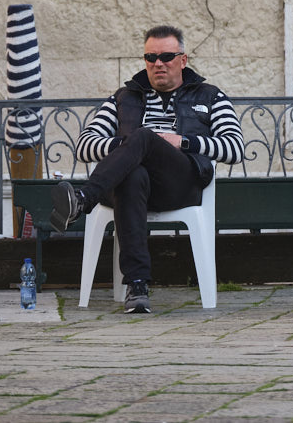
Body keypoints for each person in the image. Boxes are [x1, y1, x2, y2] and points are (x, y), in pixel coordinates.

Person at [49, 25, 244, 313]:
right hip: (130, 188)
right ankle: (137, 285)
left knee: (143, 136)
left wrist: (184, 141)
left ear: (183, 59)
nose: (158, 64)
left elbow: (235, 147)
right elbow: (85, 145)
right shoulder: (123, 98)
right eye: (150, 58)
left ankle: (82, 200)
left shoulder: (210, 97)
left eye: (166, 56)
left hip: (179, 184)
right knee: (134, 170)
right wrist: (130, 148)